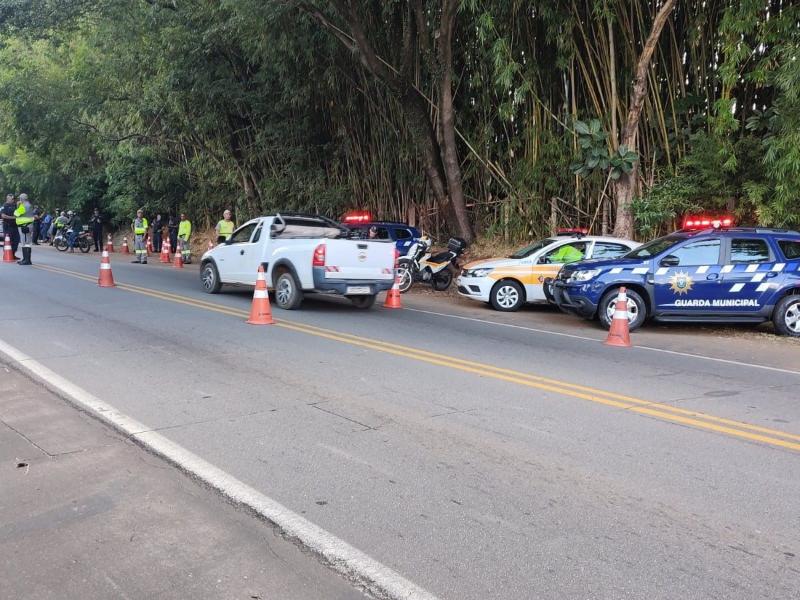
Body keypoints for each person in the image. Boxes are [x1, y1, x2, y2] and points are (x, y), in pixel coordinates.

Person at [14, 193, 35, 265]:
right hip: (27, 226)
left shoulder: (23, 206)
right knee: (27, 243)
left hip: (24, 226)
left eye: (20, 198)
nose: (19, 200)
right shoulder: (29, 205)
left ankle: (27, 260)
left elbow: (16, 214)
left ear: (21, 199)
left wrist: (17, 205)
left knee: (25, 243)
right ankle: (25, 259)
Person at [1, 194, 20, 259]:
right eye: (12, 199)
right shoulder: (4, 206)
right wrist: (13, 218)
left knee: (16, 240)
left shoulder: (14, 205)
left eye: (13, 199)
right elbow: (3, 216)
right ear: (8, 199)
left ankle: (13, 254)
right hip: (7, 226)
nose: (13, 200)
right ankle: (6, 255)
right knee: (8, 240)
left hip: (15, 226)